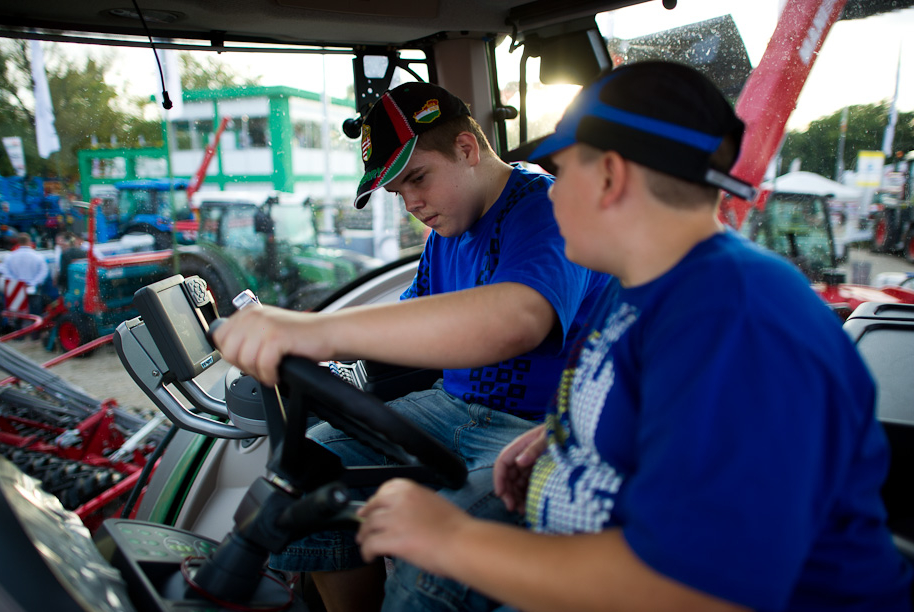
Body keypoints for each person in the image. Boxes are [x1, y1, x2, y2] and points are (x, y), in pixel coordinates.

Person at [353, 61, 914, 611]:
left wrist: (451, 541)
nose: (549, 194)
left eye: (563, 173)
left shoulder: (738, 317)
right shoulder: (639, 290)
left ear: (610, 177)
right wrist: (567, 432)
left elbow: (700, 588)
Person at [211, 81, 608, 611]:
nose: (413, 203)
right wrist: (317, 349)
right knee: (304, 480)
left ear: (467, 149)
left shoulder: (543, 211)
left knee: (431, 569)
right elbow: (406, 320)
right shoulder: (445, 234)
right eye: (400, 192)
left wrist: (311, 331)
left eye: (418, 178)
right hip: (453, 409)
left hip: (536, 429)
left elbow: (517, 319)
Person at [0, 233, 50, 338]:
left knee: (18, 314)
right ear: (29, 242)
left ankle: (19, 336)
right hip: (33, 288)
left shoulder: (11, 256)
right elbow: (44, 271)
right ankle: (35, 335)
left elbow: (5, 271)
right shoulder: (38, 256)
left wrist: (17, 282)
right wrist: (33, 282)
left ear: (18, 242)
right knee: (35, 313)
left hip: (17, 289)